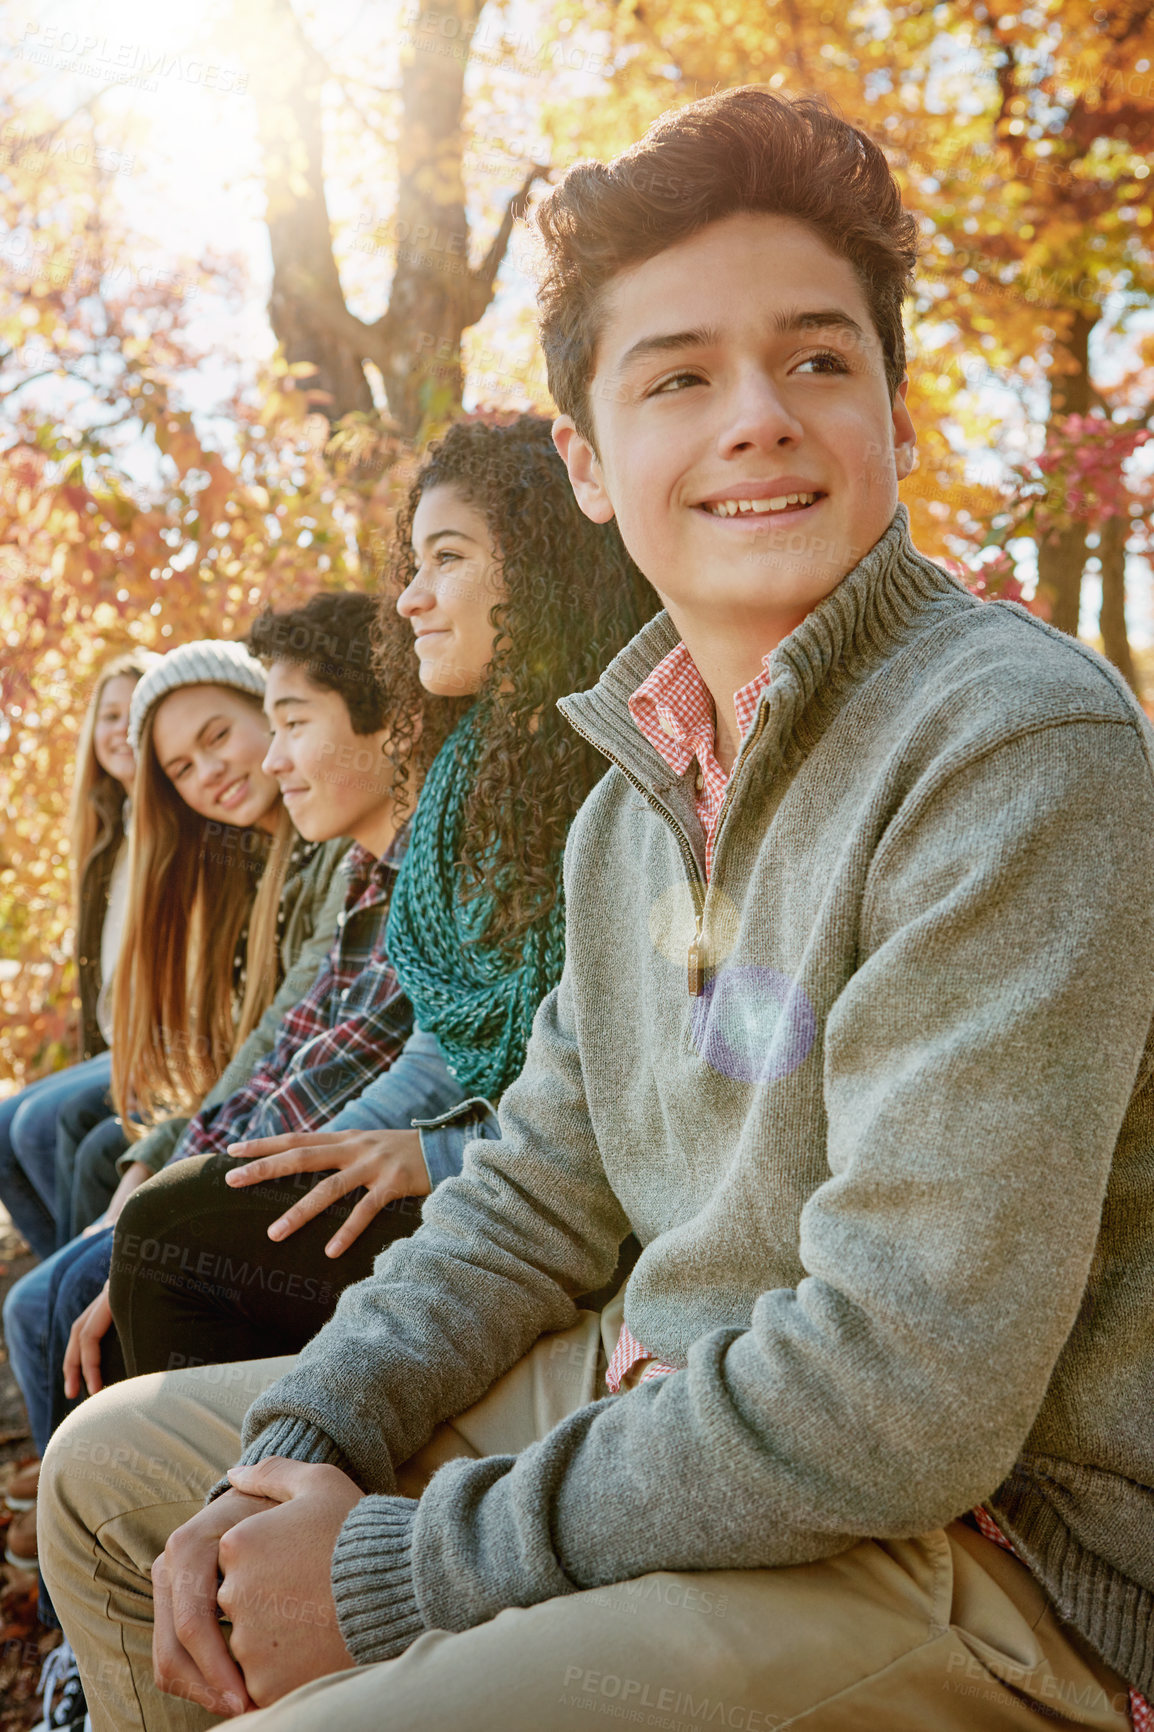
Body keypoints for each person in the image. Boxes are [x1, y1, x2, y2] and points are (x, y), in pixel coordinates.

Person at [41, 87, 1154, 1732]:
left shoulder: (1005, 743)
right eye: (677, 375)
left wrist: (393, 1567)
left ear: (894, 416)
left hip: (976, 1545)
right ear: (586, 459)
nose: (757, 416)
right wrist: (308, 1444)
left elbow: (903, 1393)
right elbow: (531, 1190)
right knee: (117, 1476)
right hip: (679, 1388)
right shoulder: (633, 795)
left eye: (817, 359)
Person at [75, 414, 652, 1383]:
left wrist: (428, 1154)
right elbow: (364, 1040)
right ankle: (198, 1490)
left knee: (168, 1237)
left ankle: (251, 1494)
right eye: (410, 565)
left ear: (541, 564)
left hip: (541, 1198)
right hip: (483, 1160)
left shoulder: (594, 772)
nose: (412, 598)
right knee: (137, 1212)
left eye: (447, 559)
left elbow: (603, 1086)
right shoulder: (475, 773)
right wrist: (212, 1156)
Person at [2, 639, 349, 1564]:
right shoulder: (244, 861)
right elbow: (253, 1049)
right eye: (184, 768)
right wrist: (160, 1157)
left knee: (67, 1270)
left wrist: (170, 1166)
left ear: (269, 713)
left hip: (319, 1137)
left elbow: (293, 1048)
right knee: (57, 1206)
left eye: (219, 736)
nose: (214, 773)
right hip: (238, 1112)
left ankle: (113, 1534)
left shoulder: (333, 855)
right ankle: (86, 1508)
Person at [0, 649, 156, 1261]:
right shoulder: (106, 836)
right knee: (5, 1124)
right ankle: (58, 1271)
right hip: (117, 1045)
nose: (120, 729)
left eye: (136, 712)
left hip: (160, 1042)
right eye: (109, 715)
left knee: (42, 1124)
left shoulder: (188, 823)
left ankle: (74, 1279)